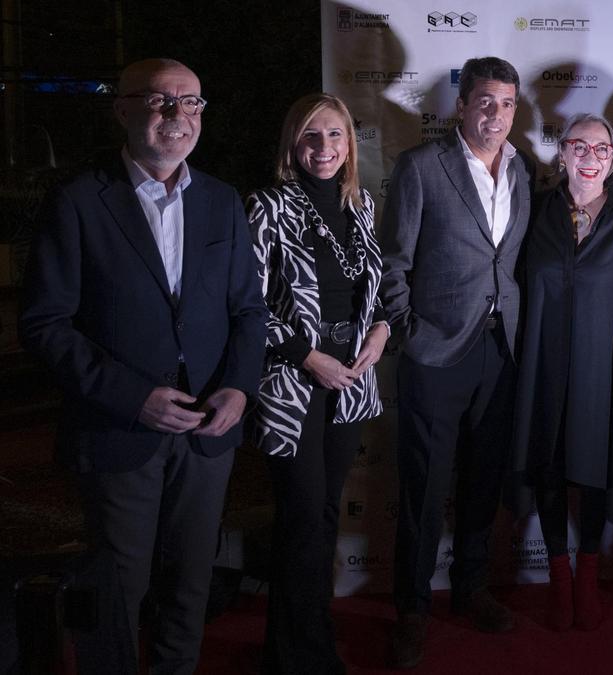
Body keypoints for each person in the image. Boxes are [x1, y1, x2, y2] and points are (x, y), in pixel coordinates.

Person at [19, 58, 267, 674]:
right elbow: (46, 325)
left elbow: (249, 313)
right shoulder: (78, 201)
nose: (177, 115)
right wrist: (135, 398)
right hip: (120, 429)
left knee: (190, 583)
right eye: (158, 101)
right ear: (123, 110)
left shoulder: (221, 201)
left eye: (191, 102)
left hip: (209, 431)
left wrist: (238, 389)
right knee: (116, 591)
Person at [377, 56, 532, 668]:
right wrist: (410, 334)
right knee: (423, 487)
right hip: (435, 351)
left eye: (507, 103)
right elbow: (393, 263)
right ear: (462, 104)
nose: (496, 113)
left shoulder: (525, 169)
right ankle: (411, 610)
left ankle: (472, 589)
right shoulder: (421, 166)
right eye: (485, 101)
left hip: (500, 349)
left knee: (482, 481)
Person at [246, 93, 388, 674]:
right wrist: (307, 356)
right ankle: (299, 656)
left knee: (325, 517)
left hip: (350, 381)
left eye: (334, 136)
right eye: (311, 137)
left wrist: (381, 329)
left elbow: (371, 292)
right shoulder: (267, 206)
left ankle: (303, 647)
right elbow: (247, 304)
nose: (324, 148)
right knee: (301, 520)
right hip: (294, 383)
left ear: (349, 142)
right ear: (292, 144)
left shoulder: (363, 207)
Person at [511, 113, 613, 631]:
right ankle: (559, 580)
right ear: (562, 155)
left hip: (608, 363)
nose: (590, 157)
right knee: (551, 467)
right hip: (543, 364)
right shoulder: (533, 212)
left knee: (596, 470)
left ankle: (590, 578)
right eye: (579, 146)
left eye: (602, 148)